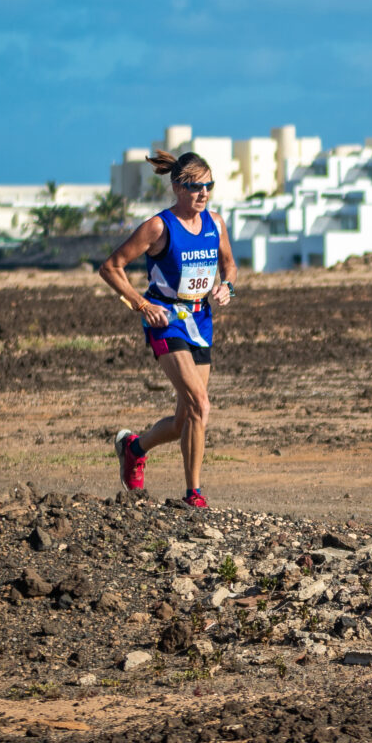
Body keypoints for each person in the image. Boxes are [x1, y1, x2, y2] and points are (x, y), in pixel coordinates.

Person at [99, 150, 237, 509]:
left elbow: (229, 266)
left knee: (184, 420)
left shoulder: (215, 223)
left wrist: (227, 287)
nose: (203, 193)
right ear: (177, 187)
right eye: (195, 187)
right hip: (166, 322)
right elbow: (111, 267)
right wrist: (142, 305)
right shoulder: (159, 227)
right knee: (200, 404)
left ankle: (134, 448)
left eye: (209, 185)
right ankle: (194, 494)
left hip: (200, 321)